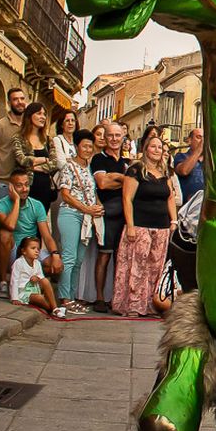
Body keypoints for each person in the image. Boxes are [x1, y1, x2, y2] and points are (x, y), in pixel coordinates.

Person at [113, 132, 178, 318]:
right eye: (153, 146)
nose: (157, 150)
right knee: (137, 265)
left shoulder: (165, 172)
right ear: (145, 149)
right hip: (140, 224)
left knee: (155, 266)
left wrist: (173, 220)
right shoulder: (136, 170)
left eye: (160, 147)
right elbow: (127, 198)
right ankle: (132, 305)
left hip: (162, 226)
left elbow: (170, 197)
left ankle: (150, 304)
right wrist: (130, 225)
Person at [54, 129, 101, 313]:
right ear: (77, 147)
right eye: (85, 146)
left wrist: (97, 206)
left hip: (86, 218)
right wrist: (85, 208)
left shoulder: (88, 168)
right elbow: (65, 194)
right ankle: (65, 298)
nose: (88, 150)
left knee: (78, 260)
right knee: (69, 256)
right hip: (70, 214)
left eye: (91, 146)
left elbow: (91, 192)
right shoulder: (69, 166)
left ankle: (72, 297)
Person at [89, 121, 128, 311]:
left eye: (117, 136)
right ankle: (99, 297)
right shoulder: (98, 159)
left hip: (124, 213)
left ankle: (117, 298)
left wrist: (116, 178)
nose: (114, 139)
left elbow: (132, 186)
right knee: (104, 255)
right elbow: (103, 183)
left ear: (123, 138)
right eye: (110, 135)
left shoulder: (126, 162)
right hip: (107, 211)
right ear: (105, 138)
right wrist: (124, 179)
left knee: (121, 257)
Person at [9, 102, 59, 212]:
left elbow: (54, 163)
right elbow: (21, 160)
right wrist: (44, 159)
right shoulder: (19, 138)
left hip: (45, 189)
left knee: (40, 224)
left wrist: (34, 167)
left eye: (44, 114)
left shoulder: (48, 140)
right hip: (26, 188)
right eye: (39, 113)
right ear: (29, 115)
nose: (43, 117)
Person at [9, 235, 64, 320]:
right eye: (33, 248)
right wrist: (15, 298)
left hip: (35, 288)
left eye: (38, 249)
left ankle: (54, 308)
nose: (36, 251)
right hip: (24, 292)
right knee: (40, 298)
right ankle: (53, 309)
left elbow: (41, 276)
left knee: (45, 281)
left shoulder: (37, 263)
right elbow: (14, 281)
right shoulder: (18, 263)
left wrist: (37, 278)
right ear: (24, 251)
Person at [173, 127, 205, 203]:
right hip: (187, 207)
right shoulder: (181, 156)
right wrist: (199, 149)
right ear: (189, 140)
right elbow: (184, 171)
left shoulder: (210, 161)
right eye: (199, 137)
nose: (202, 141)